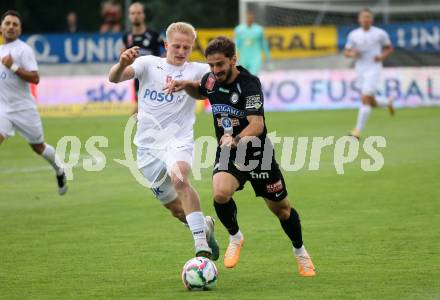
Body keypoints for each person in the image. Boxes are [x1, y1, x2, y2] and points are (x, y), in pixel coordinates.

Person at [165, 36, 316, 276]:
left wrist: (234, 140)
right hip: (229, 153)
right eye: (211, 65)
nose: (215, 70)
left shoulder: (249, 84)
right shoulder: (211, 79)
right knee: (220, 194)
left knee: (282, 210)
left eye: (220, 65)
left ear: (233, 60)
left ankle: (300, 252)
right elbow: (200, 89)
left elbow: (257, 124)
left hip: (257, 153)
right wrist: (185, 85)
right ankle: (236, 237)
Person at [108, 22, 219, 260]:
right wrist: (122, 64)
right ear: (166, 45)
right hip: (147, 148)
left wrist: (192, 85)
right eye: (176, 46)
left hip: (178, 141)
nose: (181, 51)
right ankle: (205, 225)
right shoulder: (148, 64)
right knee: (177, 211)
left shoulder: (197, 70)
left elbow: (220, 82)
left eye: (186, 47)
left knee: (179, 177)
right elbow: (115, 78)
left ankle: (201, 246)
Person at [0, 10, 67, 195]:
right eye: (7, 23)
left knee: (39, 147)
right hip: (3, 110)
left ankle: (60, 170)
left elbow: (35, 78)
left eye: (15, 24)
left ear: (20, 30)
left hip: (24, 109)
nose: (10, 27)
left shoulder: (23, 50)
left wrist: (13, 66)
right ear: (1, 27)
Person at [344, 8, 394, 139]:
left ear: (372, 19)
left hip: (374, 68)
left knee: (365, 98)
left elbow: (389, 48)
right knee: (370, 101)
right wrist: (352, 54)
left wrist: (381, 57)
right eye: (363, 17)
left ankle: (356, 131)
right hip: (360, 69)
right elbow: (346, 52)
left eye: (368, 17)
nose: (366, 19)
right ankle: (387, 102)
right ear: (359, 19)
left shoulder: (380, 33)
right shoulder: (353, 34)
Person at [122, 2, 165, 111]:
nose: (135, 16)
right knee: (141, 107)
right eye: (133, 13)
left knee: (143, 108)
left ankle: (131, 126)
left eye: (138, 13)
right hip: (138, 77)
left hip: (155, 76)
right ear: (129, 16)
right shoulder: (127, 37)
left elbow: (168, 50)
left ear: (143, 15)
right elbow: (123, 56)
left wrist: (162, 65)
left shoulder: (154, 35)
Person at [234, 10, 270, 75]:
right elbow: (236, 44)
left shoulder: (259, 30)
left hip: (255, 57)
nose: (249, 19)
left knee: (253, 76)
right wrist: (234, 55)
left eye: (250, 17)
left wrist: (268, 57)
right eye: (247, 17)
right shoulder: (239, 30)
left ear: (253, 18)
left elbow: (264, 44)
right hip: (244, 57)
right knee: (244, 77)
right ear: (245, 18)